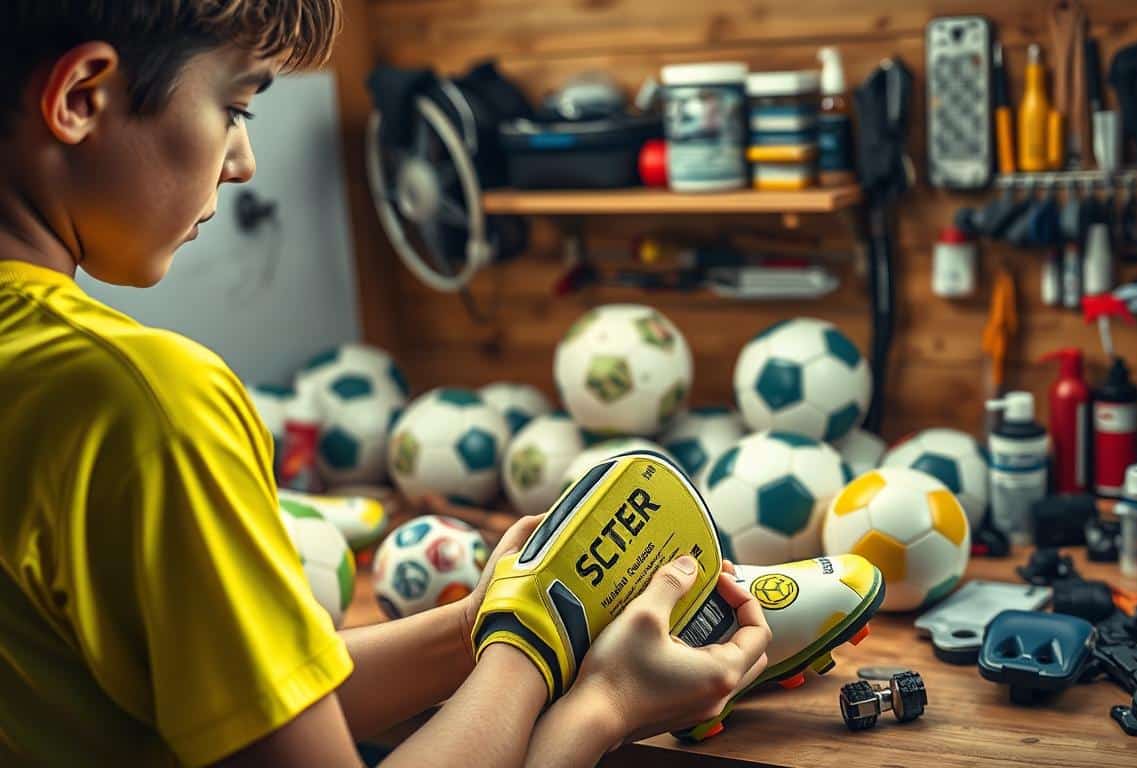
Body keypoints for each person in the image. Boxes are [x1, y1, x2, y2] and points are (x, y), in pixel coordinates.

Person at [0, 3, 770, 766]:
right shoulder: (139, 403)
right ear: (79, 98)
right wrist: (599, 707)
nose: (242, 162)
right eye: (234, 108)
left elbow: (260, 715)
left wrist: (493, 620)